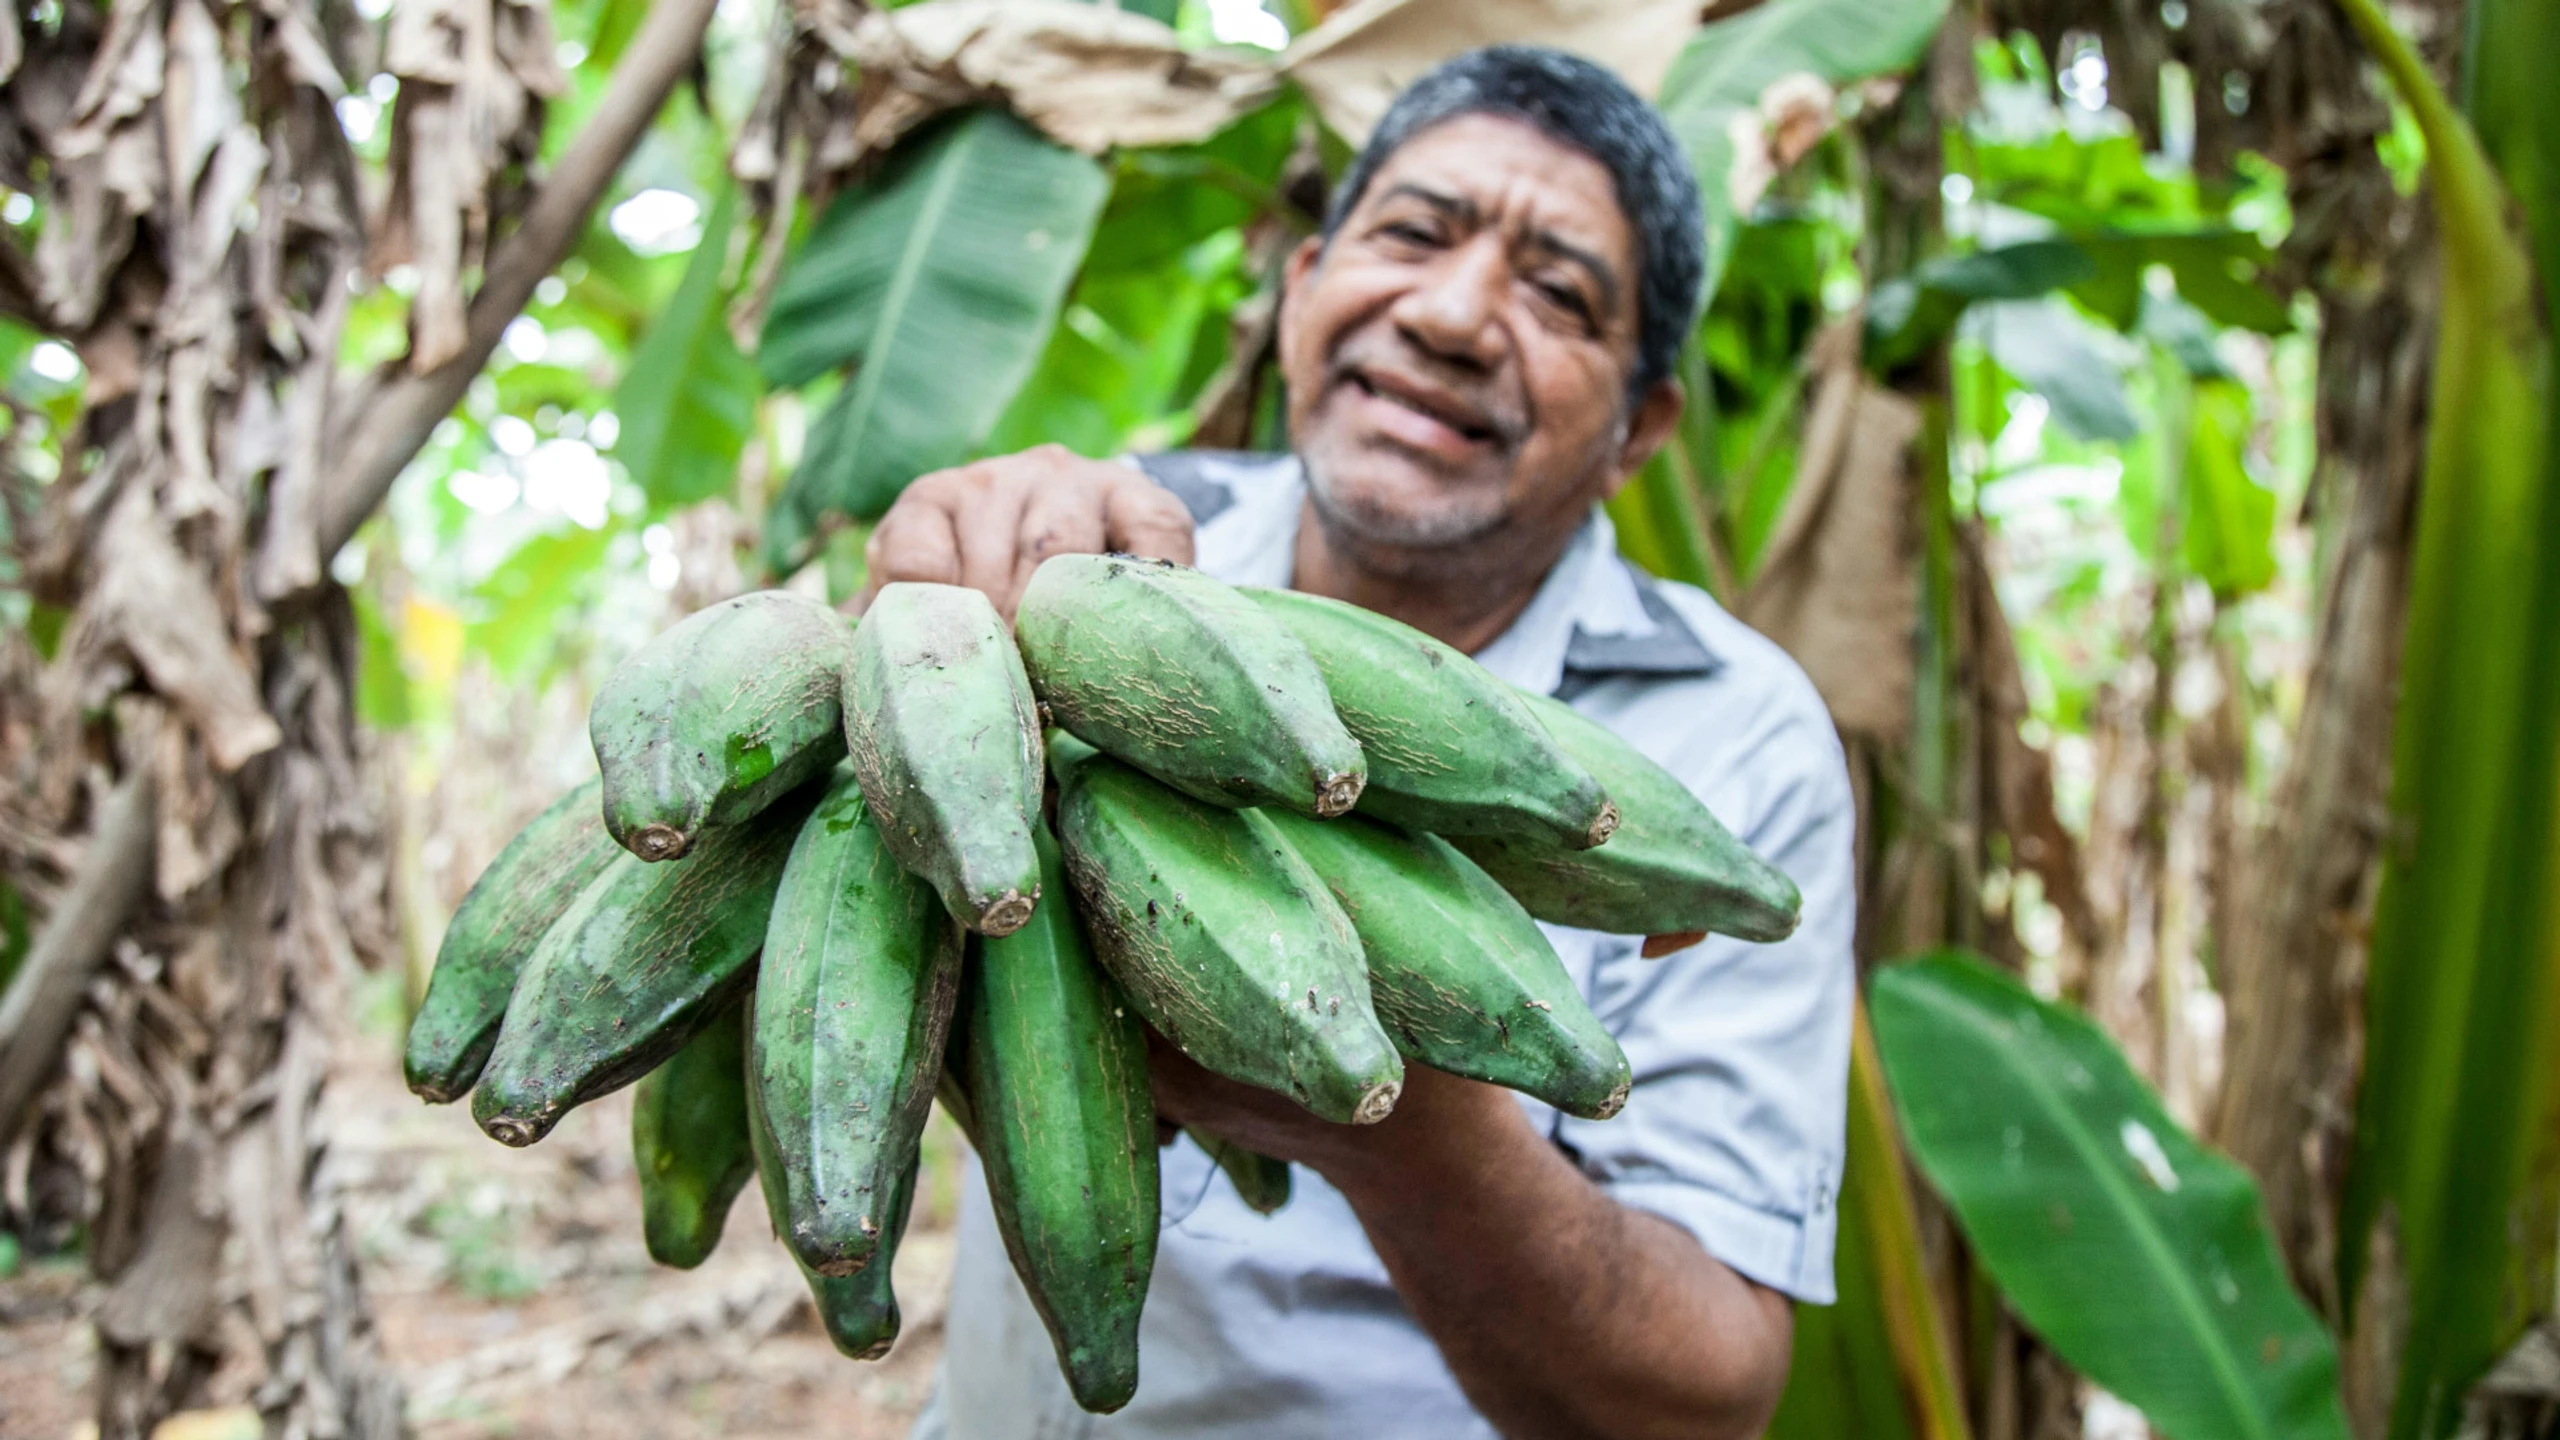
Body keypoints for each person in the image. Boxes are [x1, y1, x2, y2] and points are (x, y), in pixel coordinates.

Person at [883, 46, 1855, 1440]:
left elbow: (1701, 1400)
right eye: (1413, 234)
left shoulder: (1730, 736)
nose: (1455, 315)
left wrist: (1402, 1135)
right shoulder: (1105, 548)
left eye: (1559, 294)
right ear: (1302, 290)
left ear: (1639, 427)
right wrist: (914, 637)